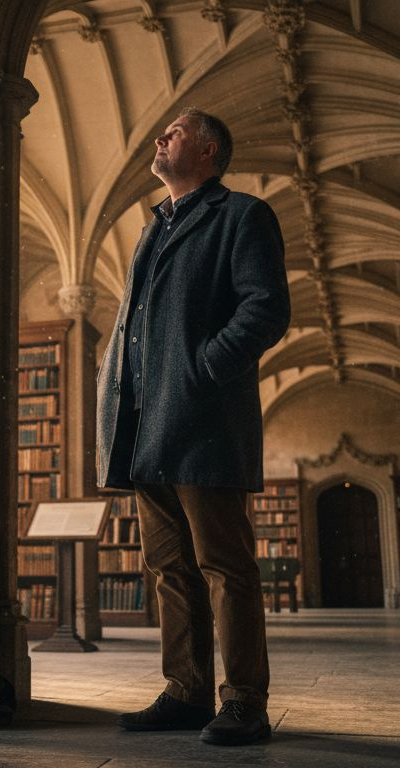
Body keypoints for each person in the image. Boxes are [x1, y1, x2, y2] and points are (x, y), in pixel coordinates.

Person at [95, 107, 290, 746]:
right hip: (147, 426)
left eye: (174, 132)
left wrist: (203, 368)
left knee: (224, 567)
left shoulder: (241, 215)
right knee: (170, 570)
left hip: (203, 421)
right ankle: (185, 690)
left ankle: (243, 702)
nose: (160, 138)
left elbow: (265, 309)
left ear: (207, 151)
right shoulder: (152, 228)